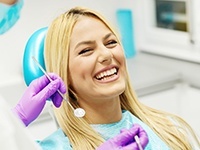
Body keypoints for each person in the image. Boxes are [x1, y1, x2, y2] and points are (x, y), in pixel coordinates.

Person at [13, 6, 200, 150]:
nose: (106, 55)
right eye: (86, 50)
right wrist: (15, 119)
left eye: (111, 42)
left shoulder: (170, 130)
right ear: (62, 74)